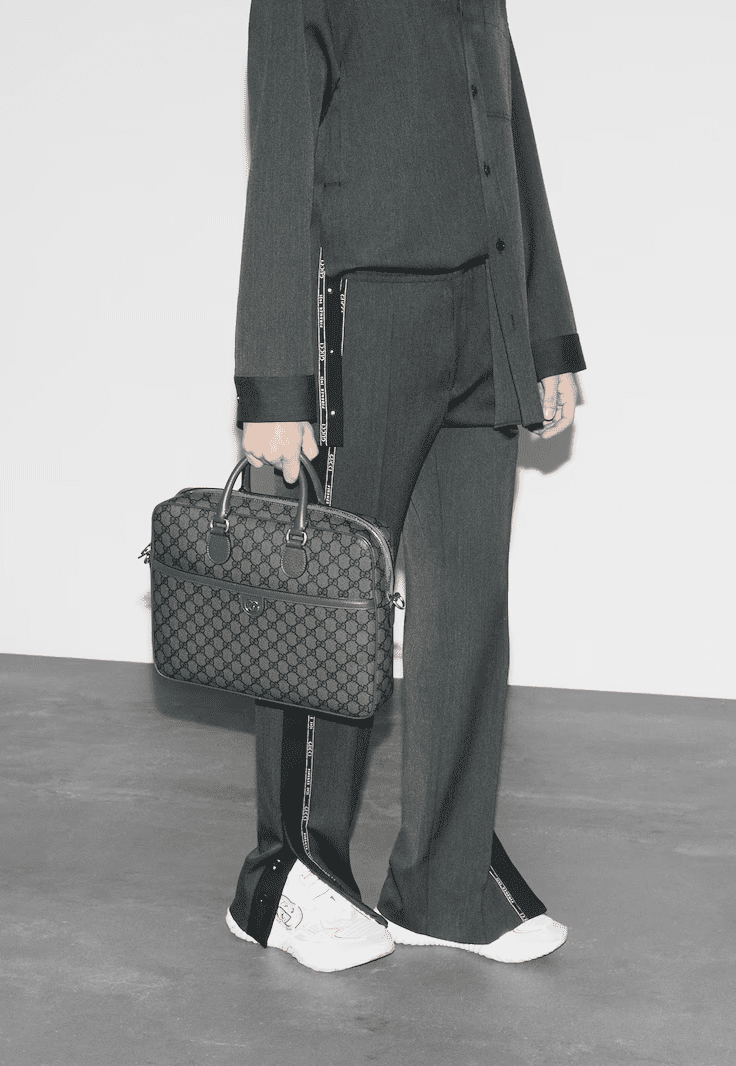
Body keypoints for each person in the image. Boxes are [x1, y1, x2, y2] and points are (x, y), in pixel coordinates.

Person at [225, 0, 586, 973]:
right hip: (363, 310)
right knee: (330, 607)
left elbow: (507, 130)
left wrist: (544, 328)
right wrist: (275, 378)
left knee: (467, 605)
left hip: (485, 309)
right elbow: (281, 157)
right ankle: (286, 877)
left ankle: (445, 882)